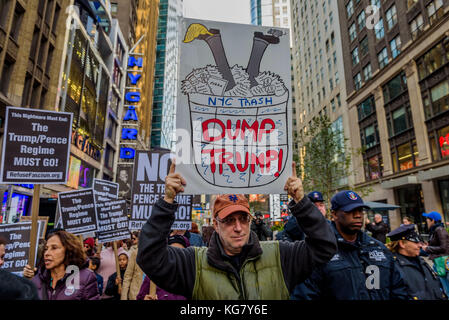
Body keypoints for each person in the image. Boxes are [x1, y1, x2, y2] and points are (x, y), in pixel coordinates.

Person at [136, 162, 337, 299]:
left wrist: (301, 202)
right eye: (229, 220)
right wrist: (167, 201)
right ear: (215, 224)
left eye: (243, 219)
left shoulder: (280, 255)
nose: (238, 227)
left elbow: (324, 247)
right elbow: (150, 258)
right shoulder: (193, 263)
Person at [291, 190, 408, 300]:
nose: (358, 215)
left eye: (360, 210)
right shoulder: (319, 251)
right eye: (350, 211)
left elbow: (399, 290)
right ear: (334, 214)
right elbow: (304, 294)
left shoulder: (378, 248)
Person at [23, 230, 99, 300]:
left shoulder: (86, 277)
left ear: (69, 250)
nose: (47, 253)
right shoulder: (37, 279)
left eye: (54, 248)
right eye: (46, 248)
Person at [386, 224, 447, 300]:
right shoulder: (393, 268)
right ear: (402, 244)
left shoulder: (421, 261)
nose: (420, 245)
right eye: (415, 242)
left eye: (420, 242)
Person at [136, 235, 189, 300]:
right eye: (173, 251)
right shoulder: (154, 275)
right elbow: (140, 297)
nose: (176, 256)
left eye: (180, 252)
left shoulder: (192, 278)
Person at [421, 211, 449, 295]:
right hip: (439, 262)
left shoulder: (439, 230)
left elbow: (444, 247)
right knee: (445, 288)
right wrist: (428, 245)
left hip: (443, 263)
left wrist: (427, 248)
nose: (427, 221)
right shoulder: (436, 230)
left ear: (432, 220)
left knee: (447, 289)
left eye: (428, 220)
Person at [121, 232, 144, 300]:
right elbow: (128, 276)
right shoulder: (135, 253)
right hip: (136, 294)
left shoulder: (158, 254)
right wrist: (124, 297)